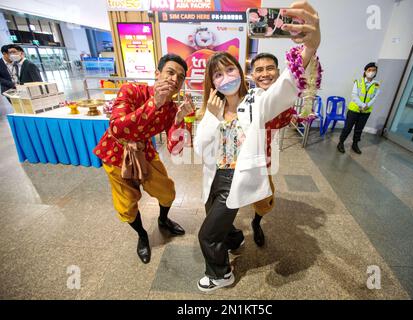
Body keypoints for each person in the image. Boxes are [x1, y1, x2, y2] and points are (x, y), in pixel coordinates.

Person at [194, 1, 321, 292]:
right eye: (218, 75)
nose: (226, 78)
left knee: (207, 234)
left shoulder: (257, 102)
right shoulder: (212, 108)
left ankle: (220, 274)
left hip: (238, 176)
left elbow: (285, 85)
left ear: (240, 72)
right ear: (211, 82)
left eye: (229, 70)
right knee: (212, 216)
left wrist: (310, 48)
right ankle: (235, 239)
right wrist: (213, 120)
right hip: (216, 176)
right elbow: (201, 149)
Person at [93, 54, 195, 264]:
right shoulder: (131, 90)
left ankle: (163, 220)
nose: (175, 79)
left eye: (181, 77)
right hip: (115, 152)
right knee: (126, 204)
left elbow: (175, 149)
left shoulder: (171, 109)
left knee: (167, 191)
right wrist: (153, 103)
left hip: (145, 151)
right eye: (170, 72)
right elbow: (117, 127)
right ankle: (142, 235)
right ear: (157, 74)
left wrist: (180, 120)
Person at [245, 52, 295, 247]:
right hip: (235, 159)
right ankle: (228, 229)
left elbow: (284, 118)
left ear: (278, 72)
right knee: (226, 199)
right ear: (252, 75)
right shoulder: (244, 98)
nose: (265, 74)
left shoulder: (282, 101)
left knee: (265, 199)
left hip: (262, 159)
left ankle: (256, 223)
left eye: (269, 68)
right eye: (259, 70)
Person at [337, 62, 380, 154]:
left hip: (366, 112)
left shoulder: (377, 84)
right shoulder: (358, 81)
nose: (371, 72)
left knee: (359, 129)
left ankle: (355, 144)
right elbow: (354, 95)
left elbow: (375, 97)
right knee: (347, 128)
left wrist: (367, 106)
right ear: (365, 71)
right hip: (354, 110)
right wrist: (362, 105)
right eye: (369, 70)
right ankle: (340, 143)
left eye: (374, 70)